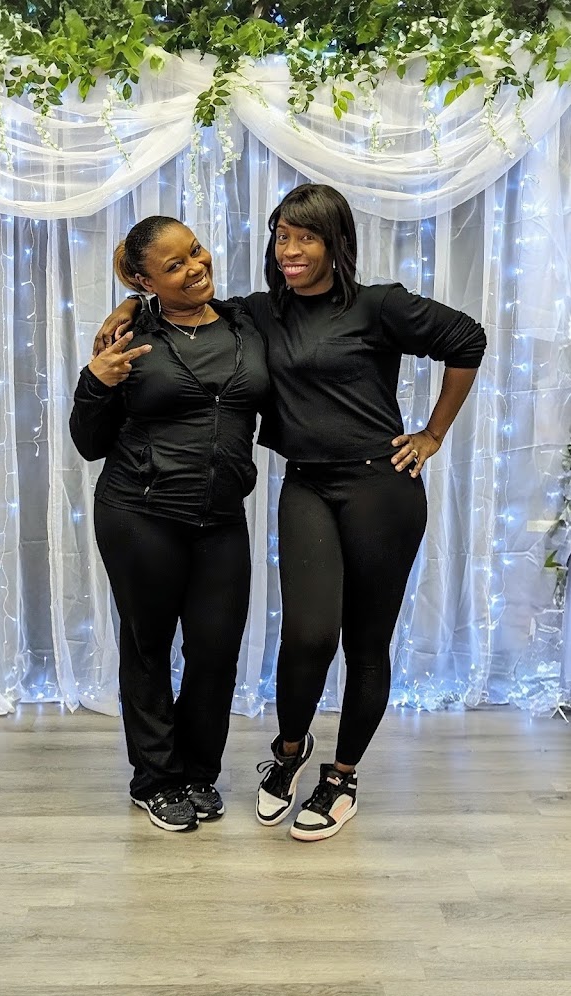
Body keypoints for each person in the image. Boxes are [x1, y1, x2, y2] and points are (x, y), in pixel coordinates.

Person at [95, 184, 486, 843]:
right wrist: (129, 301)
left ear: (336, 243)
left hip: (381, 486)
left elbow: (467, 339)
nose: (291, 250)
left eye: (307, 237)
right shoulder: (257, 312)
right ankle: (287, 753)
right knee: (307, 635)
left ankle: (342, 778)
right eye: (282, 236)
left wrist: (432, 434)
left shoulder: (379, 305)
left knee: (365, 644)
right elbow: (180, 304)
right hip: (305, 485)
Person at [70, 216, 269, 833]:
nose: (196, 267)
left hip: (221, 518)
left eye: (196, 251)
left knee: (216, 650)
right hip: (139, 514)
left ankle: (198, 772)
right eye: (175, 265)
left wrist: (130, 299)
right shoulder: (129, 338)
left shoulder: (246, 321)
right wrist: (95, 383)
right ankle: (155, 780)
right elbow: (88, 443)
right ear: (146, 280)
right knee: (149, 647)